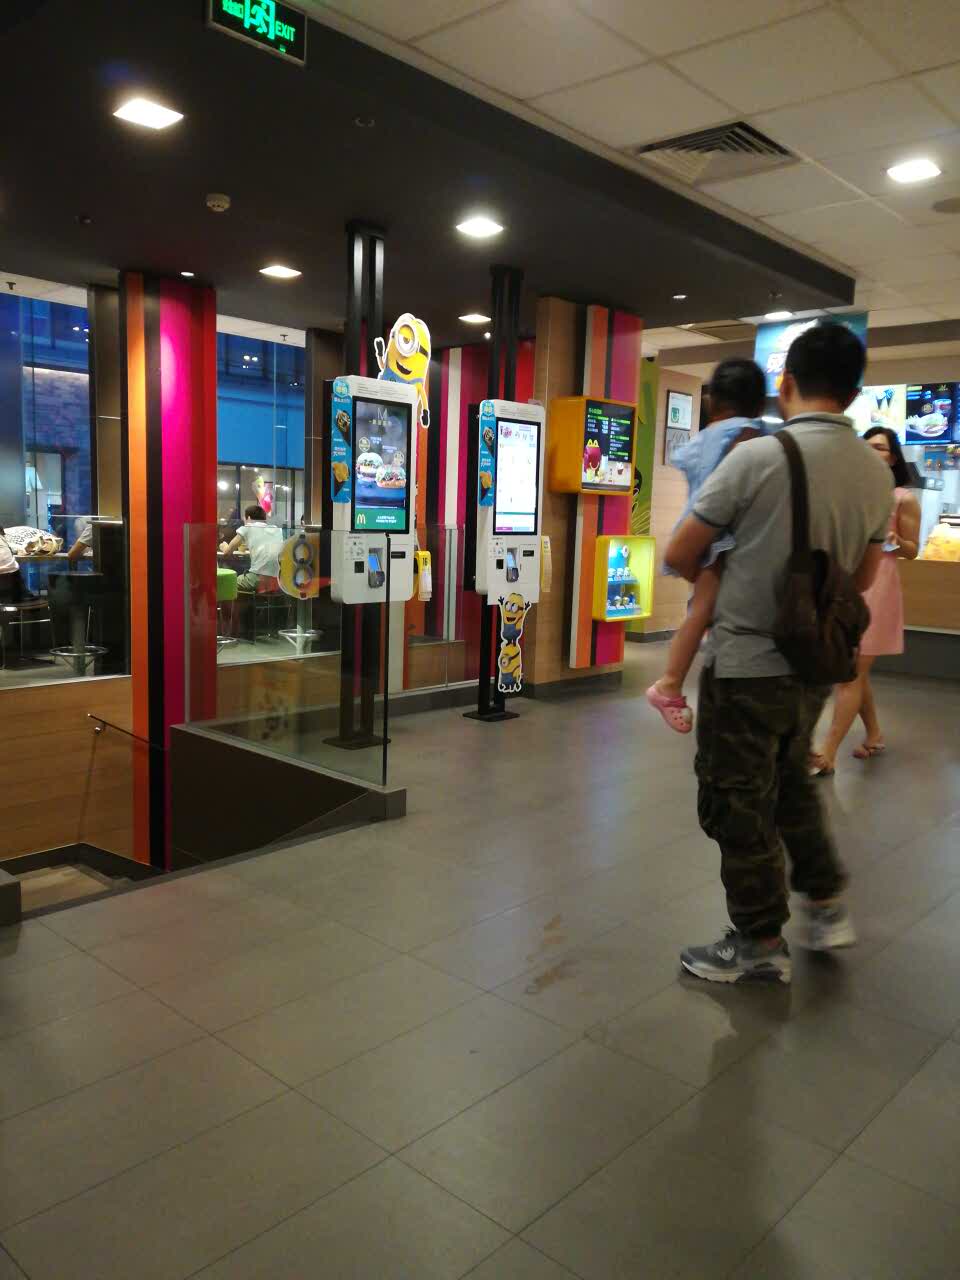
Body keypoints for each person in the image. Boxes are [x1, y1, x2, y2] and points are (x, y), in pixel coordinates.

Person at [664, 322, 892, 985]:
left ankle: (758, 940)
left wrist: (728, 577)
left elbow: (680, 551)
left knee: (736, 800)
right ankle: (824, 901)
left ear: (786, 383)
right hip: (814, 663)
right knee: (791, 781)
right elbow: (863, 577)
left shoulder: (757, 458)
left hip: (747, 665)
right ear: (853, 393)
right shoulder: (875, 474)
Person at [646, 358, 769, 732]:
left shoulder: (705, 437)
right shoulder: (750, 435)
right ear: (759, 403)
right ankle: (669, 683)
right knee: (701, 611)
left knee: (699, 610)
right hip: (721, 534)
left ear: (712, 400)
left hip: (697, 528)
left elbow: (682, 457)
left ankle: (672, 681)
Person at [811, 427, 920, 775]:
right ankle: (874, 735)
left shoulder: (903, 499)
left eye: (880, 448)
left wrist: (896, 540)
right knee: (854, 669)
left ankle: (827, 752)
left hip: (880, 586)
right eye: (867, 446)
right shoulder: (850, 494)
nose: (873, 453)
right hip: (845, 583)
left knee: (850, 675)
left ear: (893, 457)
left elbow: (913, 550)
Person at [219, 504, 283, 591]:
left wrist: (223, 546)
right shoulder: (276, 529)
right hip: (278, 581)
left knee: (228, 583)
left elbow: (227, 552)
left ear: (248, 518)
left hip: (258, 580)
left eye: (244, 519)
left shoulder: (248, 527)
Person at [0, 528, 33, 602]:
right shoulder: (2, 539)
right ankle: (25, 596)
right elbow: (10, 549)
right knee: (14, 568)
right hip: (13, 575)